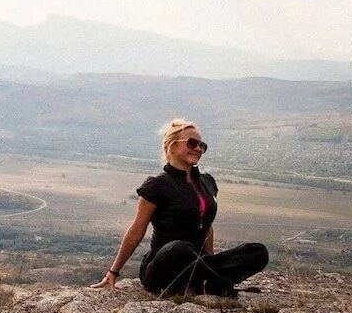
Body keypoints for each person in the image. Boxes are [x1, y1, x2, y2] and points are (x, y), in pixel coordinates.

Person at [92, 118, 269, 296]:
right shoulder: (157, 185)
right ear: (171, 146)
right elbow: (137, 230)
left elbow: (207, 225)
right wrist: (113, 272)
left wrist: (210, 258)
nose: (198, 149)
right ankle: (215, 284)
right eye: (192, 143)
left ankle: (205, 282)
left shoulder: (207, 183)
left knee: (257, 251)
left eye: (202, 145)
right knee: (180, 248)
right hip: (164, 265)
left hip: (196, 262)